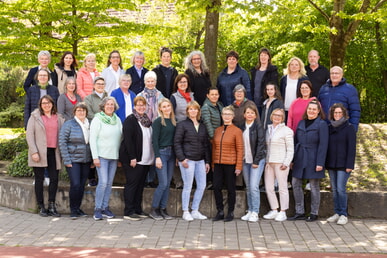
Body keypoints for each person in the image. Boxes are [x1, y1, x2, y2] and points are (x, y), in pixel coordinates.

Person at [288, 100, 328, 222]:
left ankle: (314, 212)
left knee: (314, 186)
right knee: (295, 183)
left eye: (314, 109)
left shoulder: (322, 124)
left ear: (318, 111)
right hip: (300, 156)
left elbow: (323, 145)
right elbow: (295, 142)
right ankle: (299, 211)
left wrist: (320, 163)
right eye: (309, 109)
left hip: (314, 157)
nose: (311, 111)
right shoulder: (301, 123)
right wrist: (292, 159)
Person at [26, 95, 64, 217]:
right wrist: (34, 152)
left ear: (52, 104)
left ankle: (52, 205)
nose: (46, 105)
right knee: (39, 179)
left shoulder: (58, 118)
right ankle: (41, 206)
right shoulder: (35, 117)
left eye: (48, 103)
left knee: (54, 179)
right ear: (40, 105)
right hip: (39, 152)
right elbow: (29, 135)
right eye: (44, 103)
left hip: (54, 151)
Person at [174, 101, 211, 221]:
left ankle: (195, 210)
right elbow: (177, 142)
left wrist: (207, 162)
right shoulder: (182, 125)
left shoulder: (202, 126)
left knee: (202, 185)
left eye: (195, 109)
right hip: (187, 160)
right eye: (191, 109)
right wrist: (181, 158)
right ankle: (185, 211)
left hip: (200, 160)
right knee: (188, 185)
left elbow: (206, 145)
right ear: (187, 111)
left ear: (198, 111)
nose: (193, 111)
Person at [120, 96, 154, 221]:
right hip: (133, 159)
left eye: (143, 105)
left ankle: (137, 209)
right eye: (138, 105)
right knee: (132, 185)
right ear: (134, 106)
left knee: (140, 186)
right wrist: (132, 157)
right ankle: (128, 211)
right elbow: (128, 141)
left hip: (145, 159)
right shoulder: (130, 120)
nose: (141, 107)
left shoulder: (146, 120)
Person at [90, 97, 122, 220]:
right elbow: (92, 139)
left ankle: (105, 208)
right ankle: (97, 209)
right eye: (107, 104)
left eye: (112, 104)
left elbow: (121, 138)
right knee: (102, 183)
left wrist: (120, 157)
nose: (110, 106)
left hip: (114, 157)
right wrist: (95, 157)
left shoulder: (117, 119)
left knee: (109, 184)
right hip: (101, 156)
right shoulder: (97, 119)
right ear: (103, 106)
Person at [59, 102, 91, 219]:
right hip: (73, 159)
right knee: (75, 184)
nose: (81, 112)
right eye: (79, 110)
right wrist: (67, 159)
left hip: (86, 160)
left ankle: (78, 208)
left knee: (82, 185)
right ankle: (73, 209)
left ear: (86, 112)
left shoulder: (90, 124)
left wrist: (92, 160)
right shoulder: (69, 124)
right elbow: (62, 142)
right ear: (74, 112)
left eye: (83, 110)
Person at [326, 104, 356, 225]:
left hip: (344, 164)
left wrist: (350, 165)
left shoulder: (349, 128)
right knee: (334, 189)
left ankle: (344, 214)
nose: (337, 115)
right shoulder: (329, 128)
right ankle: (337, 212)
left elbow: (352, 148)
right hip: (332, 164)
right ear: (332, 114)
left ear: (343, 114)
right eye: (335, 113)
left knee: (340, 189)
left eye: (339, 113)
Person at [212, 106, 243, 222]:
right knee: (216, 187)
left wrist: (238, 166)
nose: (226, 116)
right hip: (218, 163)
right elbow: (214, 148)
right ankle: (220, 211)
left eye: (229, 114)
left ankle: (230, 212)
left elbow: (240, 149)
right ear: (222, 115)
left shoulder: (237, 131)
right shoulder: (218, 130)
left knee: (231, 188)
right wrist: (213, 163)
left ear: (233, 116)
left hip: (231, 163)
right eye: (224, 114)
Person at [262, 108, 294, 222]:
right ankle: (274, 209)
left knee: (282, 188)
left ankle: (283, 211)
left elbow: (290, 149)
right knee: (269, 187)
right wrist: (266, 160)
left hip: (281, 163)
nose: (276, 117)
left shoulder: (287, 131)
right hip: (269, 162)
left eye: (279, 116)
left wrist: (286, 162)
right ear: (271, 116)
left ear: (282, 118)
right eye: (275, 115)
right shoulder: (268, 129)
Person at [149, 98, 176, 220]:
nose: (166, 108)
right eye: (164, 107)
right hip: (162, 153)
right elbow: (154, 140)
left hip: (171, 154)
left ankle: (163, 209)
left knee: (168, 183)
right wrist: (158, 157)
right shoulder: (158, 121)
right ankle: (154, 209)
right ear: (160, 109)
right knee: (163, 182)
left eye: (168, 106)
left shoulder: (174, 121)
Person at [240, 105, 266, 222]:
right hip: (245, 161)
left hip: (257, 160)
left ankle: (255, 211)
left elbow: (261, 144)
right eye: (248, 113)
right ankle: (250, 210)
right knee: (248, 187)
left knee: (254, 186)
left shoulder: (259, 127)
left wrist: (256, 161)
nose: (250, 115)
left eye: (252, 113)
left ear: (255, 115)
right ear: (244, 115)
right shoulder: (241, 127)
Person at [318, 66, 361, 132]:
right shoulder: (323, 88)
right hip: (325, 127)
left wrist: (353, 128)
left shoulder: (350, 89)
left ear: (342, 75)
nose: (334, 75)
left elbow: (355, 110)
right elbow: (318, 108)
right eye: (332, 73)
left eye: (336, 73)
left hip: (342, 128)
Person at [250, 48, 279, 114]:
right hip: (254, 102)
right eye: (261, 55)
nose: (263, 57)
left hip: (267, 102)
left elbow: (275, 86)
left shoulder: (272, 70)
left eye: (265, 55)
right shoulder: (254, 71)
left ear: (268, 57)